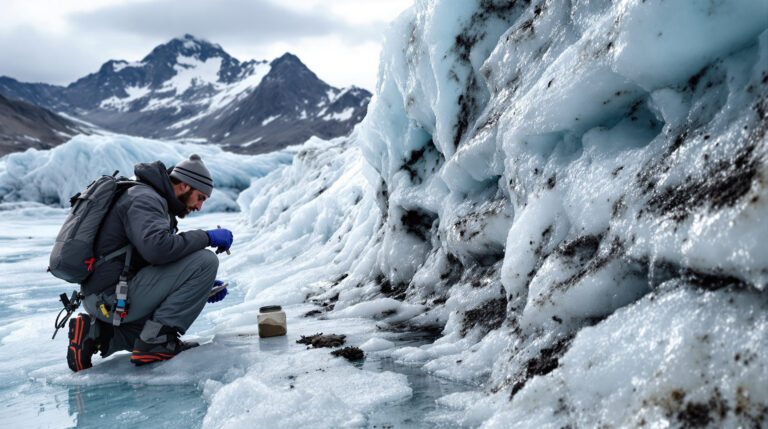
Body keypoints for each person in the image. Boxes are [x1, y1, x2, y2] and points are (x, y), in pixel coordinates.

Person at [66, 154, 234, 372]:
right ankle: (158, 342)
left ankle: (97, 334)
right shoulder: (145, 199)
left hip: (105, 296)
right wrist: (208, 237)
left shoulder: (148, 197)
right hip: (112, 295)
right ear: (184, 185)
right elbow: (158, 249)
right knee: (205, 260)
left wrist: (199, 286)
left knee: (144, 333)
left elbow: (147, 256)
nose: (199, 206)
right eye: (200, 197)